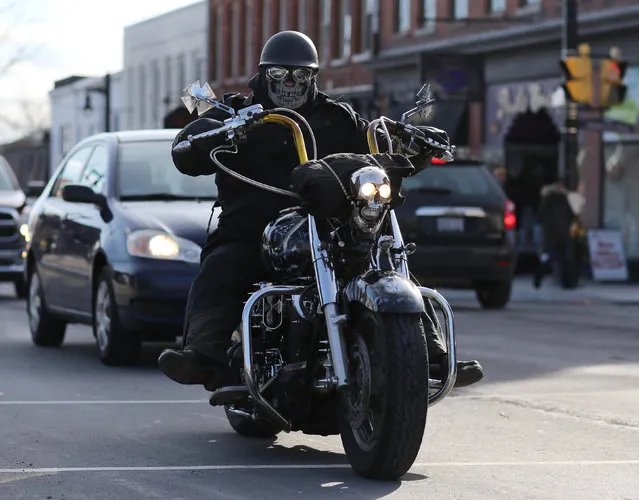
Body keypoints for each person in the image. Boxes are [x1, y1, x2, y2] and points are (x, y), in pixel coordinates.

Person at [158, 30, 484, 392]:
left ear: (313, 77)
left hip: (331, 228)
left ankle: (431, 356)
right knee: (222, 266)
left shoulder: (338, 117)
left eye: (301, 75)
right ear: (265, 74)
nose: (290, 83)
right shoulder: (238, 112)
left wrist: (414, 143)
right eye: (280, 74)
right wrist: (211, 134)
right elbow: (187, 152)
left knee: (388, 262)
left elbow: (378, 144)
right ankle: (203, 357)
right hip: (253, 228)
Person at [533, 179, 578, 289]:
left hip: (551, 234)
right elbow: (571, 216)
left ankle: (539, 279)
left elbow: (540, 216)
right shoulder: (562, 200)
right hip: (560, 233)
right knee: (562, 258)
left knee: (549, 257)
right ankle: (564, 282)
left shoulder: (548, 200)